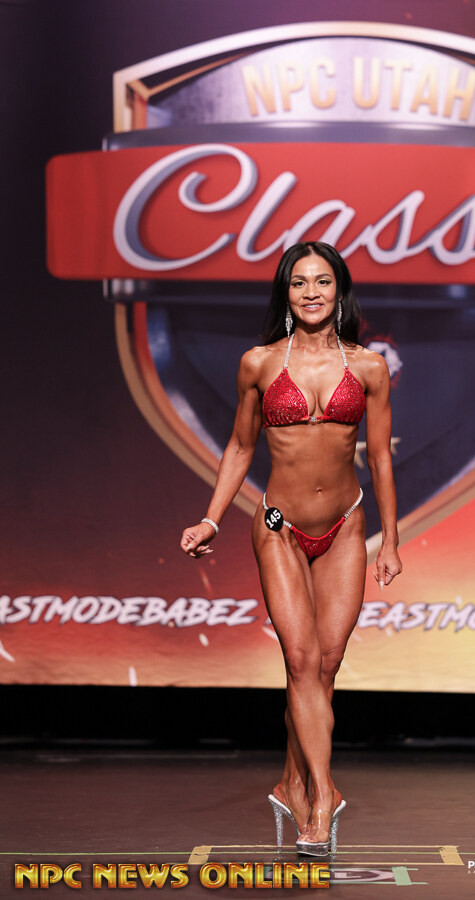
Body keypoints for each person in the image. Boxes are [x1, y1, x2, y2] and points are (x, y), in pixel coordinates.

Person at [180, 241, 402, 856]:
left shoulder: (370, 368)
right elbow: (240, 446)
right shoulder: (258, 363)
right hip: (278, 524)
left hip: (347, 526)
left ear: (339, 290)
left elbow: (381, 457)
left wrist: (392, 539)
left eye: (322, 281)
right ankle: (324, 796)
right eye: (299, 282)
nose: (311, 293)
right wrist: (211, 519)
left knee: (324, 667)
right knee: (301, 661)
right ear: (286, 292)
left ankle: (290, 783)